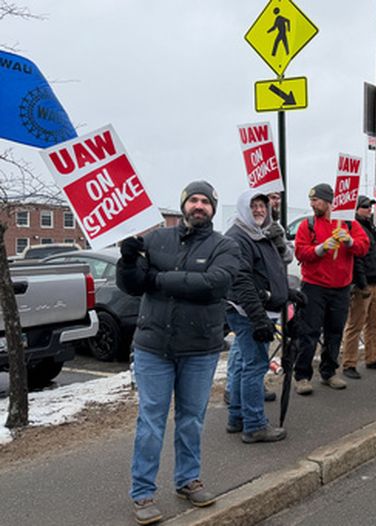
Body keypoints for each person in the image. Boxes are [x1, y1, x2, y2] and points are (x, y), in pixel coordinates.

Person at [117, 181, 240, 525]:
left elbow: (213, 285)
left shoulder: (225, 246)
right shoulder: (155, 240)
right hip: (153, 347)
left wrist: (158, 279)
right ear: (183, 205)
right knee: (151, 422)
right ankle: (142, 492)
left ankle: (188, 480)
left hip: (200, 349)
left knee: (191, 419)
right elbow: (132, 284)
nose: (198, 206)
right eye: (193, 200)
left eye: (205, 201)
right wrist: (127, 261)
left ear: (213, 208)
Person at [224, 189, 295, 444]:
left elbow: (272, 270)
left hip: (260, 310)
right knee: (254, 367)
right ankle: (254, 424)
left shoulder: (261, 233)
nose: (259, 210)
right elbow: (242, 282)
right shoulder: (238, 237)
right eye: (254, 206)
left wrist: (288, 293)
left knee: (246, 364)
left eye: (262, 206)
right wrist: (258, 319)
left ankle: (237, 417)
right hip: (250, 312)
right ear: (244, 207)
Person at [293, 183, 370, 395]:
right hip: (314, 287)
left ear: (328, 202)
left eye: (316, 200)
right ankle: (302, 376)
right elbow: (300, 253)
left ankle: (328, 372)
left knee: (335, 332)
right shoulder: (307, 225)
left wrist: (350, 242)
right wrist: (320, 248)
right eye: (311, 201)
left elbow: (364, 248)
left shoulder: (349, 223)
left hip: (341, 287)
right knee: (309, 332)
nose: (312, 204)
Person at [340, 195, 376, 379]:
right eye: (364, 206)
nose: (368, 209)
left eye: (369, 206)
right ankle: (349, 363)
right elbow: (357, 258)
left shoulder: (370, 227)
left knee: (375, 321)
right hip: (363, 283)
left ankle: (372, 356)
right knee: (355, 323)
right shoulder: (353, 226)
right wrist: (361, 284)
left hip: (374, 280)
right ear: (356, 209)